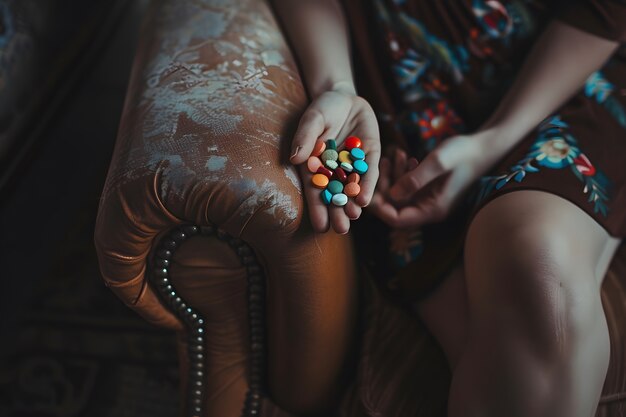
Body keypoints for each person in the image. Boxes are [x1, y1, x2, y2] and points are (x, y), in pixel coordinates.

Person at [272, 0, 625, 416]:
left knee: (538, 265)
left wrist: (491, 141)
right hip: (410, 113)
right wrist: (338, 86)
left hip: (565, 79)